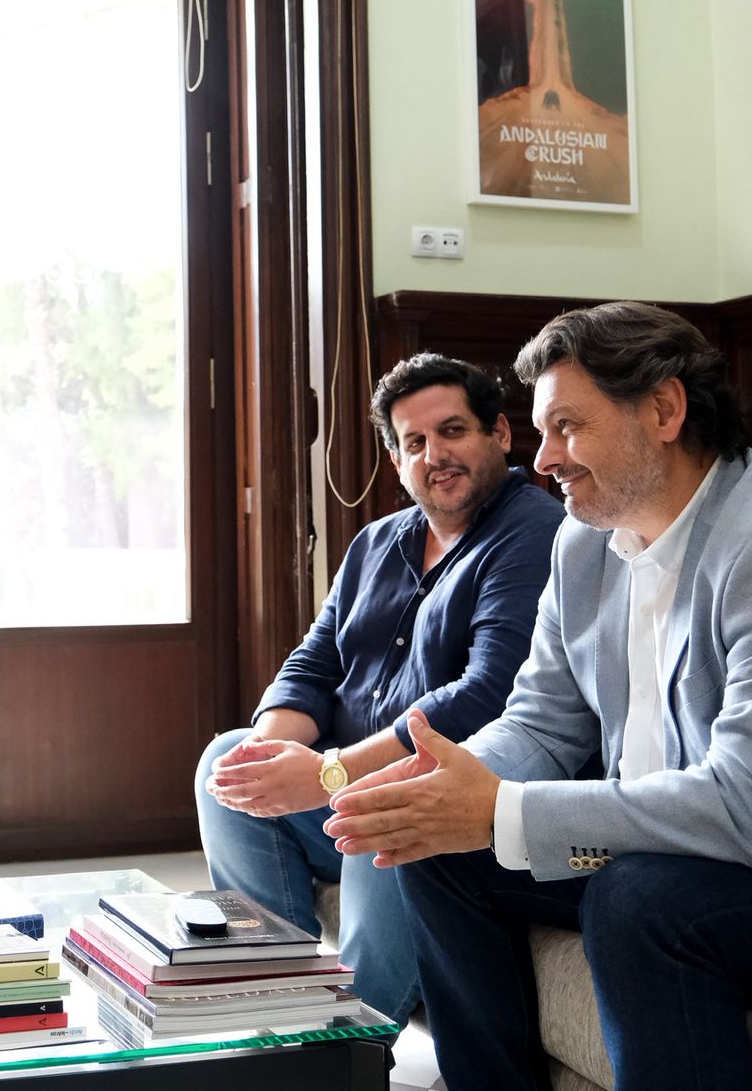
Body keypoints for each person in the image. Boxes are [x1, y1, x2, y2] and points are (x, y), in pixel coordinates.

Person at [326, 301, 752, 1091]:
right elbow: (539, 723)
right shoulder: (583, 544)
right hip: (686, 851)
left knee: (639, 900)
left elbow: (750, 809)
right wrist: (445, 787)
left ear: (665, 410)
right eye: (541, 432)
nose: (545, 459)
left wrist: (501, 810)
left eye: (567, 427)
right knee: (443, 852)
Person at [197, 352, 562, 1022]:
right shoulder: (376, 542)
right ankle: (274, 1007)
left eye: (452, 431)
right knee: (226, 762)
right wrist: (270, 759)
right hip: (345, 786)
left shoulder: (536, 533)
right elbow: (313, 665)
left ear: (501, 434)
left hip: (455, 800)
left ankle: (346, 1050)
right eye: (413, 443)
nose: (435, 455)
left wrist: (332, 773)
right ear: (396, 462)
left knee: (385, 811)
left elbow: (487, 693)